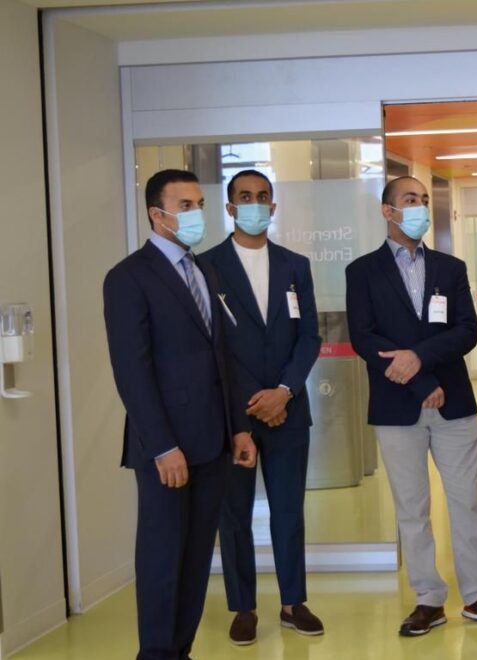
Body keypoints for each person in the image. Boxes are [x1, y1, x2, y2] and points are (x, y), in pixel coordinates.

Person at [345, 175, 477, 638]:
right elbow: (364, 337)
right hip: (396, 406)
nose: (420, 207)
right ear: (388, 211)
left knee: (468, 502)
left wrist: (420, 360)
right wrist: (420, 381)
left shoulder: (450, 268)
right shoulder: (362, 272)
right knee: (411, 508)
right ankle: (428, 598)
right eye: (410, 199)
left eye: (424, 199)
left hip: (453, 404)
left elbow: (467, 331)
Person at [103, 169, 257, 660]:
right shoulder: (128, 277)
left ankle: (180, 651)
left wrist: (238, 428)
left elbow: (222, 357)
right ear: (157, 214)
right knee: (162, 560)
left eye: (198, 205)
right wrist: (163, 446)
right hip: (166, 448)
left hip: (213, 442)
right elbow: (133, 372)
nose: (196, 215)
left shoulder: (204, 270)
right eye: (185, 206)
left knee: (195, 561)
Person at [200, 170, 324, 644]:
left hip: (288, 410)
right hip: (235, 416)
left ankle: (293, 603)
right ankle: (243, 607)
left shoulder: (295, 265)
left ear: (272, 206)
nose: (255, 203)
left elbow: (309, 335)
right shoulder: (207, 267)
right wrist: (254, 402)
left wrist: (284, 391)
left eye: (263, 197)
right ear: (231, 208)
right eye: (245, 197)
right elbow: (213, 346)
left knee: (289, 511)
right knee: (234, 516)